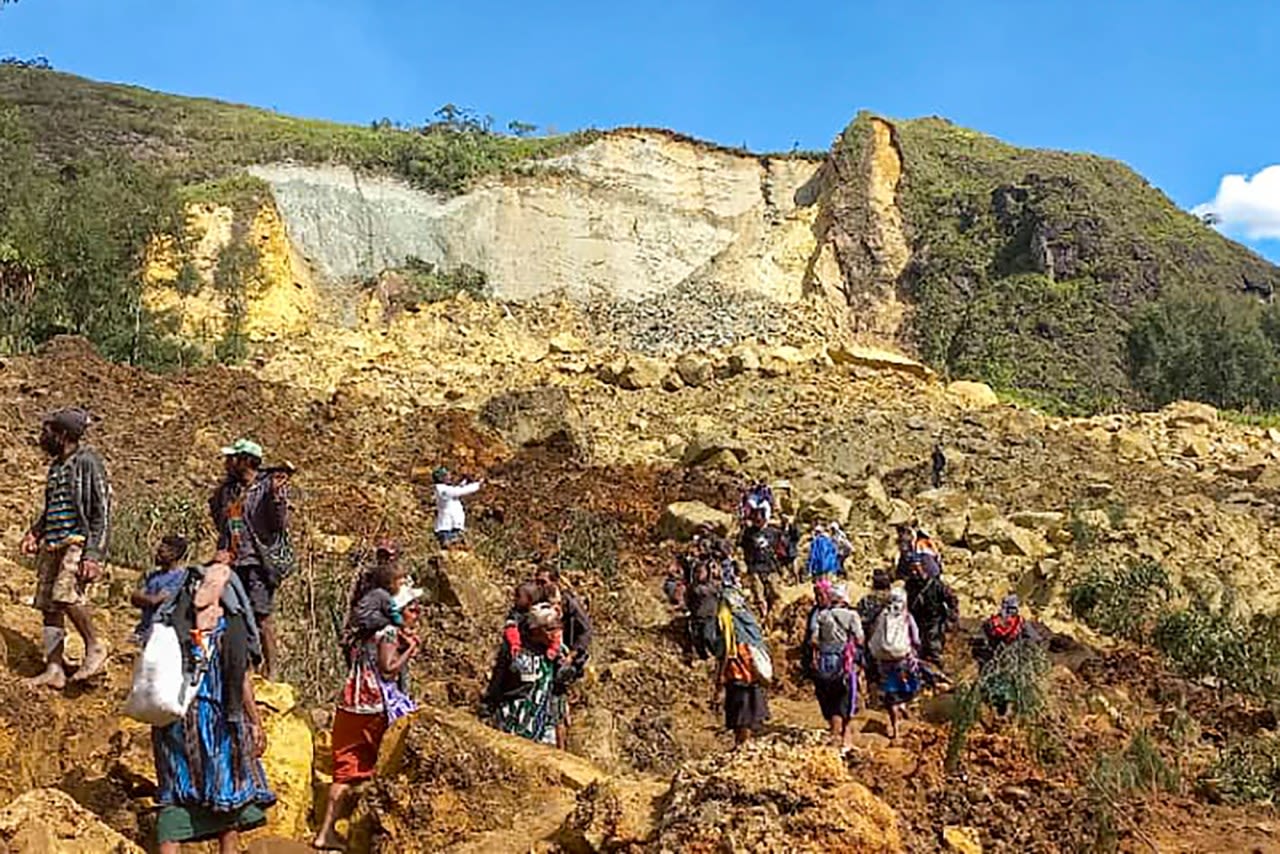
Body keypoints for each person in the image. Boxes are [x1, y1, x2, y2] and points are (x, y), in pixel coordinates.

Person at [151, 562, 275, 853]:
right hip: (215, 724)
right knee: (224, 802)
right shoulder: (229, 628)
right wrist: (254, 721)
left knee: (176, 795)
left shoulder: (173, 621)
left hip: (175, 721)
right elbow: (241, 679)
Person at [315, 576, 422, 851]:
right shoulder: (386, 632)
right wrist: (409, 649)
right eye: (411, 608)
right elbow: (388, 668)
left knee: (344, 770)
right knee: (383, 767)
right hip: (374, 706)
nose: (416, 612)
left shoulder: (358, 631)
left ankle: (324, 833)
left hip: (348, 704)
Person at [20, 407, 111, 689]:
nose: (42, 436)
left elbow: (102, 510)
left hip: (77, 541)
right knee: (48, 605)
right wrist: (35, 532)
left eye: (48, 431)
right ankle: (55, 668)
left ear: (62, 434)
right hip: (54, 541)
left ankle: (95, 646)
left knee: (65, 594)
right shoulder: (57, 465)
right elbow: (52, 508)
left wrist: (94, 554)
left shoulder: (87, 461)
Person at [209, 438, 291, 680]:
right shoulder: (228, 490)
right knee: (235, 614)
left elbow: (279, 525)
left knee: (261, 614)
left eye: (232, 458)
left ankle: (272, 669)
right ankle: (246, 666)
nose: (227, 462)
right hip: (232, 561)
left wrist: (276, 498)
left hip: (257, 562)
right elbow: (218, 517)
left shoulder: (268, 487)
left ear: (245, 460)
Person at [482, 602, 561, 745]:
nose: (555, 633)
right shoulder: (517, 650)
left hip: (543, 722)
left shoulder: (556, 652)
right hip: (513, 717)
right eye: (549, 629)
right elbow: (499, 678)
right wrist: (489, 704)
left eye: (557, 628)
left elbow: (558, 688)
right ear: (536, 630)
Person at [536, 566, 592, 749]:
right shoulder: (538, 602)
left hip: (566, 658)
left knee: (556, 700)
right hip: (545, 656)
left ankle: (561, 749)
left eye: (543, 582)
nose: (540, 586)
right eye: (537, 582)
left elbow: (586, 631)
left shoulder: (570, 603)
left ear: (555, 582)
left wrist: (572, 655)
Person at [804, 580, 863, 751]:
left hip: (824, 661)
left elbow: (813, 640)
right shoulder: (852, 616)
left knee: (829, 695)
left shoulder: (822, 615)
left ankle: (836, 733)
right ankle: (842, 737)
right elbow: (860, 639)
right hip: (844, 663)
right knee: (845, 697)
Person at [713, 588, 770, 747]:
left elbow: (725, 652)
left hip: (738, 671)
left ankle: (742, 744)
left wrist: (719, 679)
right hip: (753, 671)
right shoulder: (748, 619)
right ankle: (745, 743)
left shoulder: (727, 621)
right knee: (748, 710)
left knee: (741, 712)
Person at [869, 586, 921, 739]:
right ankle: (903, 705)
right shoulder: (907, 616)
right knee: (908, 688)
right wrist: (914, 649)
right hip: (903, 660)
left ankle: (895, 728)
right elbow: (916, 638)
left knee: (890, 693)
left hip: (884, 662)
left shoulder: (882, 615)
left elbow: (874, 635)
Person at [131, 535, 191, 645]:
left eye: (161, 553)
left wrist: (144, 598)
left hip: (161, 632)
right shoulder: (153, 576)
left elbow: (155, 600)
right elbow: (134, 597)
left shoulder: (180, 577)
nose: (157, 556)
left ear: (174, 554)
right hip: (144, 630)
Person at [904, 553, 957, 665]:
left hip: (934, 620)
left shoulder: (936, 585)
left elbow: (951, 599)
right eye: (911, 569)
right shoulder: (910, 585)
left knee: (934, 648)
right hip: (917, 620)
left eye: (916, 568)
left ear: (923, 567)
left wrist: (952, 617)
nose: (914, 572)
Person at [738, 511, 781, 621]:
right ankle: (763, 617)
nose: (757, 521)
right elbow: (742, 547)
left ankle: (774, 618)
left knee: (775, 593)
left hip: (771, 567)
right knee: (758, 595)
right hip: (755, 567)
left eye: (759, 518)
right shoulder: (748, 533)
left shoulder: (773, 532)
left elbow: (784, 543)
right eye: (755, 518)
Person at [432, 466, 482, 549]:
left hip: (452, 527)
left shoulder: (444, 489)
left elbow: (457, 488)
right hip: (447, 529)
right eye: (446, 476)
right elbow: (459, 491)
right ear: (441, 478)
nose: (449, 477)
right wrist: (477, 485)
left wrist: (465, 481)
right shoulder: (443, 490)